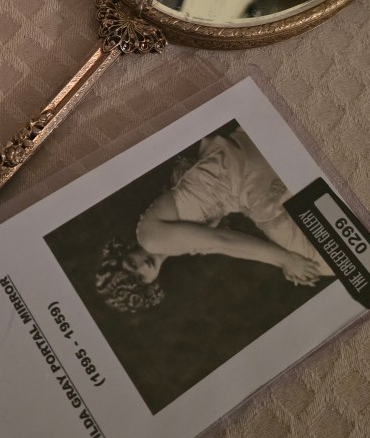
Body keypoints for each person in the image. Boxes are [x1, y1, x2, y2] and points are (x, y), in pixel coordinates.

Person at [96, 126, 331, 313]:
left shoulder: (150, 239)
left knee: (319, 262)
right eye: (140, 278)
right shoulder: (171, 247)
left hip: (242, 175)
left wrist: (286, 260)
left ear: (125, 252)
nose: (142, 267)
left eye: (131, 264)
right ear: (149, 284)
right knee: (315, 254)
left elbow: (223, 241)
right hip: (240, 169)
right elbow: (221, 240)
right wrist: (285, 261)